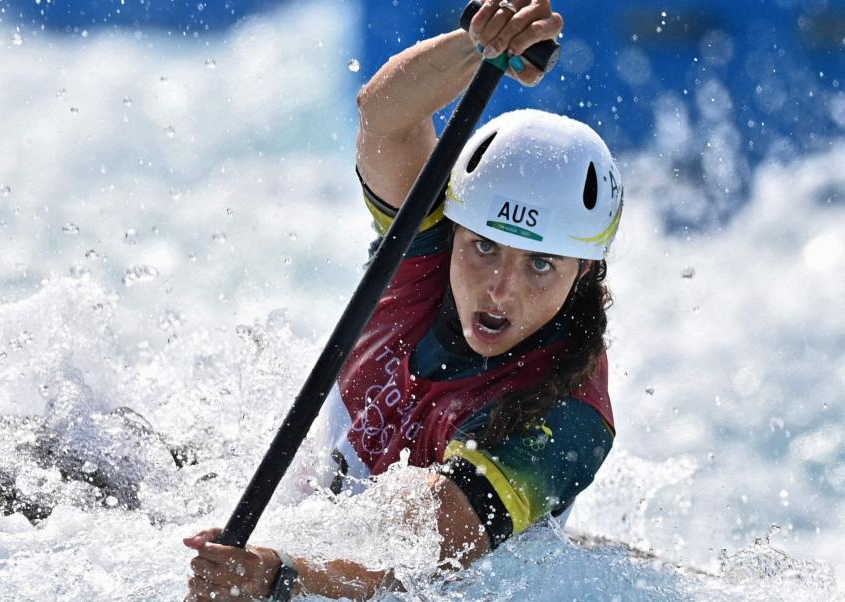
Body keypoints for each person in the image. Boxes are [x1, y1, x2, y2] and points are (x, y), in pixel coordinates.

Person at [184, 0, 623, 599]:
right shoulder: (422, 249)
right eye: (484, 248)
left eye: (540, 264)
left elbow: (415, 567)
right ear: (456, 228)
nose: (500, 288)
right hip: (313, 509)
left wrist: (279, 577)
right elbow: (385, 118)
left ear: (582, 272)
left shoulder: (571, 418)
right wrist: (477, 45)